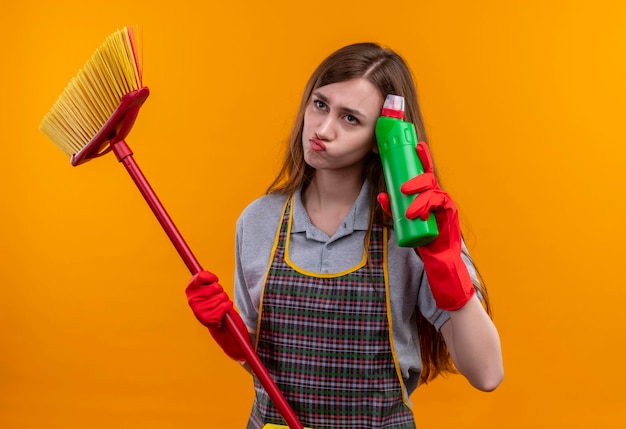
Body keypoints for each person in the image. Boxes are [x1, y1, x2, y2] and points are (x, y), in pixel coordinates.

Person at [185, 42, 503, 429]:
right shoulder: (258, 222)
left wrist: (446, 264)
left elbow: (487, 374)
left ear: (381, 138)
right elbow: (259, 357)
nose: (323, 129)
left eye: (350, 118)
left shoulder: (415, 227)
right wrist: (229, 335)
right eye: (320, 104)